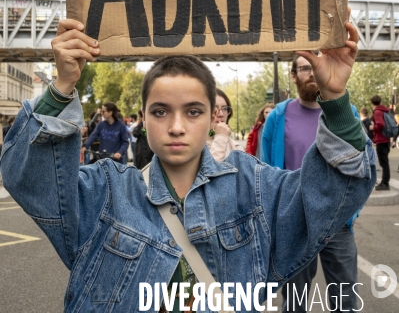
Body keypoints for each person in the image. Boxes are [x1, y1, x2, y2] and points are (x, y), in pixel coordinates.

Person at [1, 18, 375, 312]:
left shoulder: (256, 188)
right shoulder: (104, 192)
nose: (176, 127)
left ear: (213, 117)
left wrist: (337, 98)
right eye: (160, 111)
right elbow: (32, 178)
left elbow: (333, 193)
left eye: (193, 112)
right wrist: (62, 85)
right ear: (143, 119)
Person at [261, 55, 362, 313]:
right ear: (294, 76)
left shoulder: (345, 113)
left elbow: (360, 162)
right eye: (304, 68)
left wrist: (352, 212)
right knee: (294, 302)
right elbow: (266, 172)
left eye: (314, 67)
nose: (311, 73)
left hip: (337, 222)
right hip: (296, 223)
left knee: (346, 301)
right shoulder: (277, 117)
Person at [207, 87, 244, 161]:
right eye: (215, 108)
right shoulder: (195, 147)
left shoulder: (236, 148)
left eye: (224, 108)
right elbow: (210, 171)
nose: (220, 114)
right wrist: (220, 138)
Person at [370, 94, 391, 190]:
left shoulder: (377, 112)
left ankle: (385, 183)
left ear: (372, 103)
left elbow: (380, 124)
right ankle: (385, 182)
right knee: (385, 162)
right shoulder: (384, 110)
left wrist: (373, 127)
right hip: (385, 139)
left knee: (384, 163)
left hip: (381, 140)